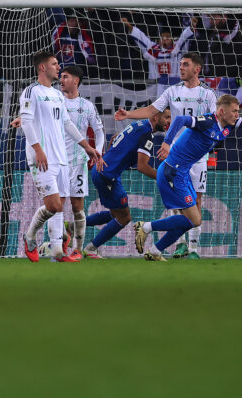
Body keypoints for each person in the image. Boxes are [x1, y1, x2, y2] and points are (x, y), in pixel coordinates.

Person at [133, 95, 242, 261]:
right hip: (172, 171)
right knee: (193, 219)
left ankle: (156, 250)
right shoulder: (207, 121)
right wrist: (166, 142)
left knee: (191, 220)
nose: (238, 114)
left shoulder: (228, 125)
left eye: (238, 111)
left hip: (182, 173)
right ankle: (146, 227)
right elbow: (180, 119)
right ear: (222, 111)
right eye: (235, 111)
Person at [114, 52, 216, 259]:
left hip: (197, 156)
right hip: (175, 156)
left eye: (185, 64)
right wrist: (129, 114)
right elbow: (152, 110)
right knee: (177, 203)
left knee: (197, 201)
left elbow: (214, 122)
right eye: (181, 64)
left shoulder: (208, 94)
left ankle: (193, 249)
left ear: (197, 69)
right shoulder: (172, 91)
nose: (181, 67)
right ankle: (180, 244)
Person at [19, 50, 102, 263]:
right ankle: (29, 237)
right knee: (54, 205)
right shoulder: (31, 92)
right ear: (42, 67)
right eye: (55, 64)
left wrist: (87, 147)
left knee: (60, 207)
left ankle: (58, 252)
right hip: (42, 157)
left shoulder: (57, 95)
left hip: (62, 158)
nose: (58, 67)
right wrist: (38, 150)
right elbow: (27, 122)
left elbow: (67, 124)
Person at [82, 108, 170, 258]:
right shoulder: (147, 135)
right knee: (124, 217)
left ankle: (73, 226)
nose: (169, 122)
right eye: (167, 117)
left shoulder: (138, 125)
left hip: (104, 172)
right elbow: (142, 167)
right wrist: (162, 178)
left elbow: (115, 137)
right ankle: (90, 248)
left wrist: (113, 156)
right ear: (155, 117)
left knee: (116, 214)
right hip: (107, 175)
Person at [53, 65, 104, 255]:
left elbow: (99, 132)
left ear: (76, 80)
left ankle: (78, 249)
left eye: (65, 77)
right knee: (57, 204)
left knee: (77, 206)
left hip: (78, 162)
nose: (61, 80)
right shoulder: (56, 101)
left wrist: (97, 151)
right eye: (61, 76)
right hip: (58, 160)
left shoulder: (87, 106)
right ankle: (57, 244)